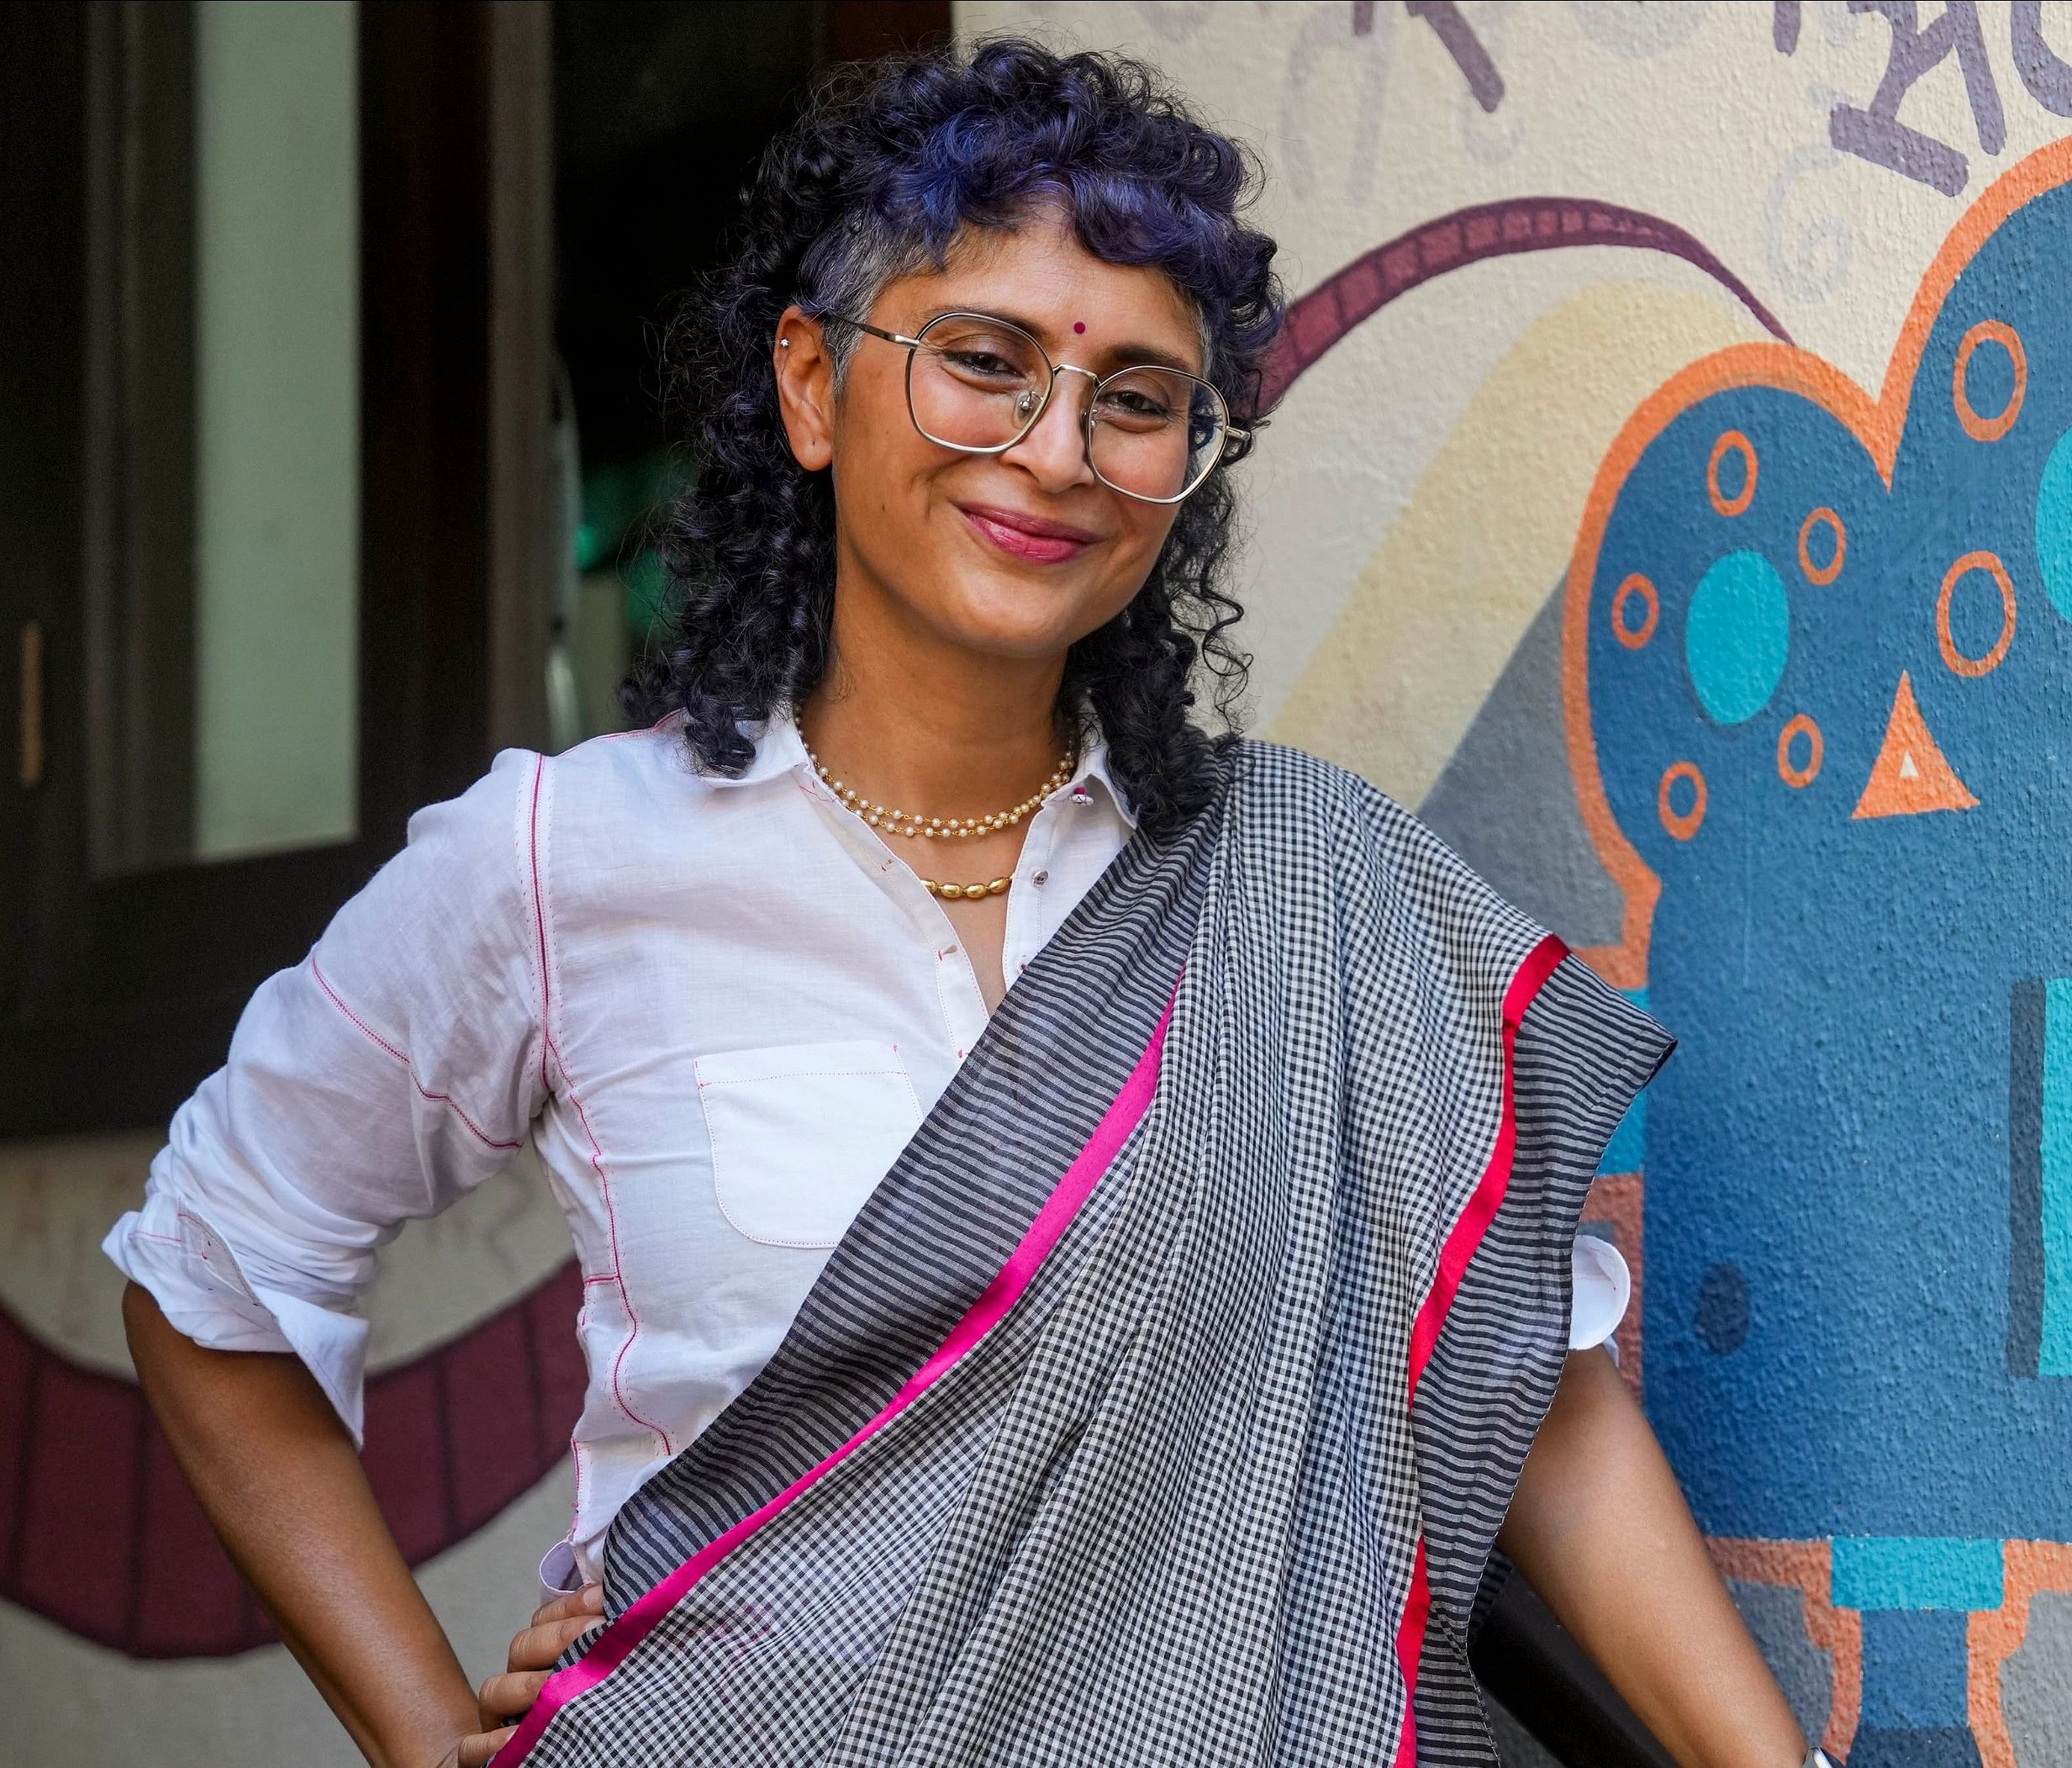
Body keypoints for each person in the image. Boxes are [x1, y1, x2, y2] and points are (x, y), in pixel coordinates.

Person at [110, 41, 1814, 1768]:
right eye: (982, 364)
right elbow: (214, 1271)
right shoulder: (562, 857)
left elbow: (1545, 1397)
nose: (1056, 448)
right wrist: (418, 1739)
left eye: (1138, 399)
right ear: (808, 383)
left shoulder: (1313, 884)